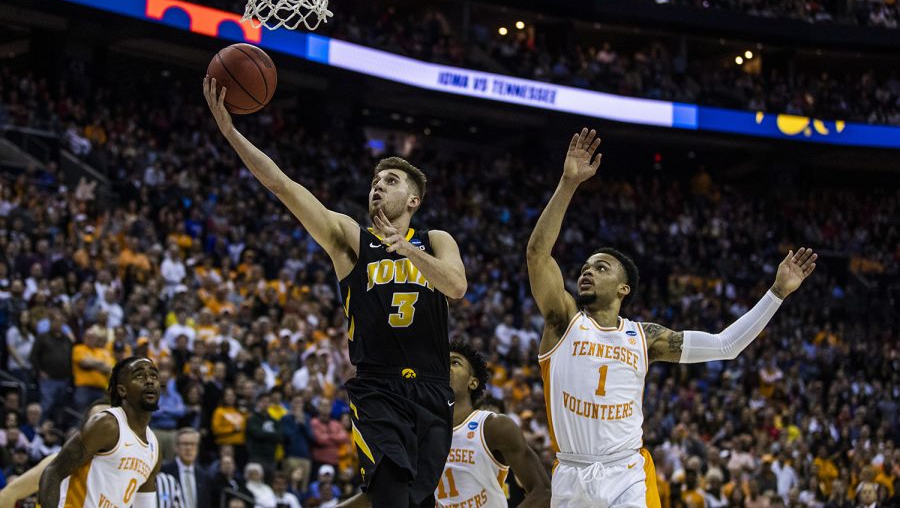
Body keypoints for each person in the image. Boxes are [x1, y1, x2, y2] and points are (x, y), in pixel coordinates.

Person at [204, 77, 467, 508]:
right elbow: (283, 187)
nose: (378, 185)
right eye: (376, 179)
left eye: (392, 180)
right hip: (378, 389)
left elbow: (455, 286)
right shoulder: (351, 238)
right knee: (389, 496)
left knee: (419, 502)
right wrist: (232, 133)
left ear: (414, 200)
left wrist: (403, 248)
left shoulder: (436, 240)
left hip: (433, 390)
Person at [526, 128, 818, 508]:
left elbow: (726, 345)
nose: (586, 272)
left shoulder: (643, 337)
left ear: (623, 288)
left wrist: (776, 293)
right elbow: (537, 254)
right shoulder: (563, 321)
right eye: (585, 267)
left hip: (626, 472)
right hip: (570, 473)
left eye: (601, 267)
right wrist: (567, 183)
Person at [336, 340, 552, 508]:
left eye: (454, 362)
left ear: (473, 382)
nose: (444, 368)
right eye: (440, 363)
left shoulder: (492, 427)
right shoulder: (416, 435)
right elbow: (380, 497)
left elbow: (542, 491)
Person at [37, 357, 162, 508]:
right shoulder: (108, 425)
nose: (149, 380)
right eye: (139, 376)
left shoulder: (154, 448)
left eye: (154, 375)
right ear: (122, 390)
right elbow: (53, 472)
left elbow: (144, 504)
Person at [0, 399, 111, 508]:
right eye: (97, 422)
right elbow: (8, 494)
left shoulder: (122, 476)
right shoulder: (58, 463)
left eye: (110, 423)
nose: (103, 429)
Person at [161, 428, 211, 508]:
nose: (189, 448)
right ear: (176, 447)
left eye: (192, 444)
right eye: (185, 444)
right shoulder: (164, 472)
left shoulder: (204, 476)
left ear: (197, 448)